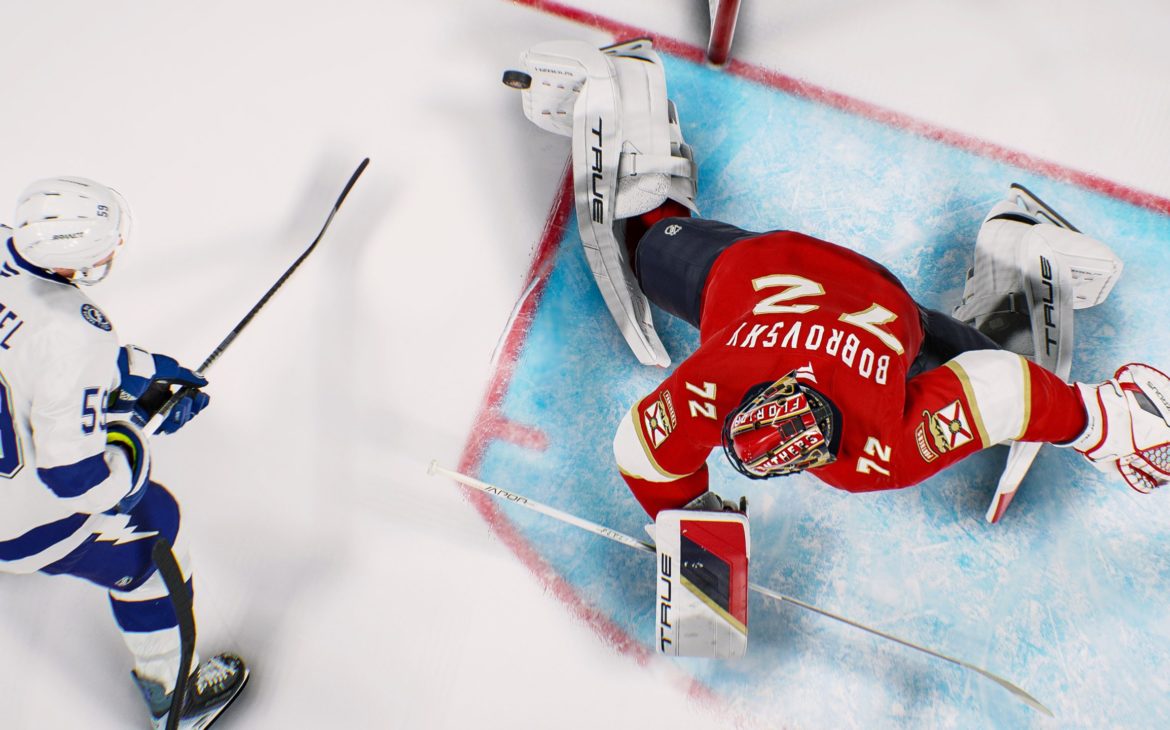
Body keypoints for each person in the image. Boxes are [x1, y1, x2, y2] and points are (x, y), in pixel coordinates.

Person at [506, 39, 1170, 523]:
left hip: (769, 271)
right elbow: (640, 448)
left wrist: (1090, 420)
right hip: (830, 283)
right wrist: (1094, 420)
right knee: (649, 247)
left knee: (1003, 389)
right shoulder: (728, 392)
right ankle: (1015, 255)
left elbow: (1003, 388)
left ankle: (1018, 260)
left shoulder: (848, 444)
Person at [0, 177, 247, 728]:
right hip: (11, 525)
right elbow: (75, 479)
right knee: (156, 529)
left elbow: (23, 356)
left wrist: (129, 370)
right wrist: (131, 440)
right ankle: (175, 697)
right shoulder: (72, 331)